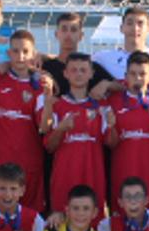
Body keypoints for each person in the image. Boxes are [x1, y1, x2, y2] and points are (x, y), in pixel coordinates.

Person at [0, 30, 52, 213]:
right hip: (0, 160)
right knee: (2, 213)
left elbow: (44, 126)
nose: (20, 56)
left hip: (30, 162)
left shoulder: (40, 86)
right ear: (8, 53)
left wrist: (48, 98)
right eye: (15, 51)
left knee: (31, 215)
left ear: (33, 54)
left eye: (25, 51)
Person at [42, 53, 110, 217]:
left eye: (83, 70)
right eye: (73, 70)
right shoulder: (56, 105)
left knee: (93, 225)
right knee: (62, 225)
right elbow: (49, 146)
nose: (78, 74)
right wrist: (61, 130)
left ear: (91, 73)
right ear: (65, 73)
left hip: (93, 177)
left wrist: (112, 126)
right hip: (64, 179)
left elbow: (111, 143)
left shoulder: (101, 107)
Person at [106, 51, 149, 208]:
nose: (138, 78)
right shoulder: (112, 102)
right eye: (133, 74)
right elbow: (110, 143)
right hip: (123, 176)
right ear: (125, 77)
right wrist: (111, 126)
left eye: (142, 74)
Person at [93, 6, 149, 86]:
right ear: (121, 28)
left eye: (140, 24)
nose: (135, 28)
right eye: (130, 23)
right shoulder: (103, 58)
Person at [41, 12, 115, 95]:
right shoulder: (45, 67)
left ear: (81, 36)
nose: (68, 34)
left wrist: (107, 84)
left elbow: (121, 85)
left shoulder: (90, 66)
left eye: (73, 30)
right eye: (64, 30)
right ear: (56, 34)